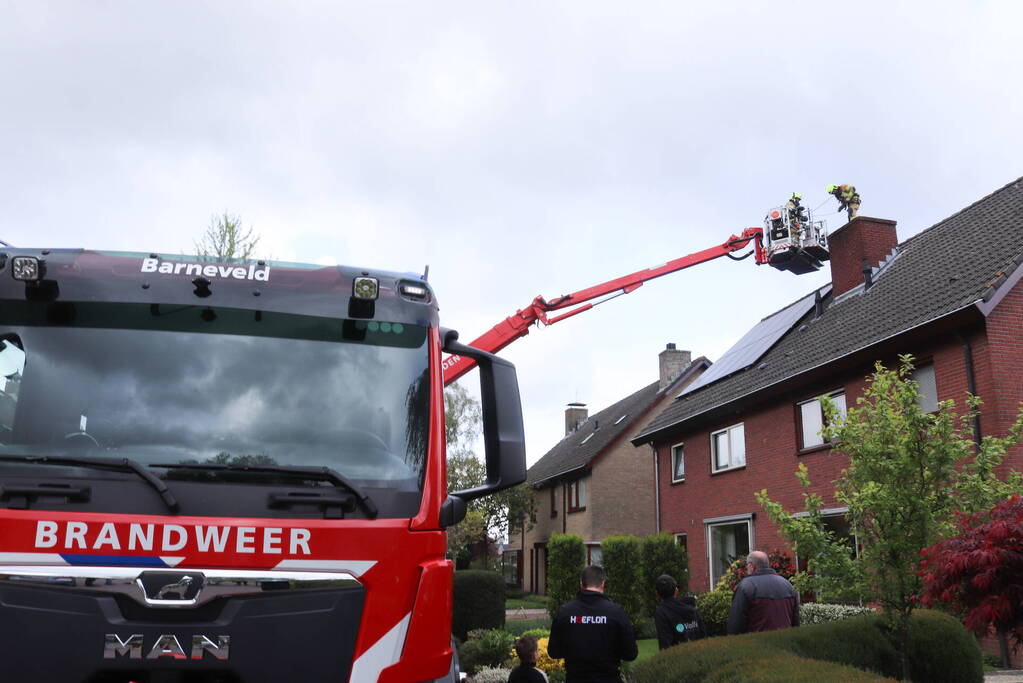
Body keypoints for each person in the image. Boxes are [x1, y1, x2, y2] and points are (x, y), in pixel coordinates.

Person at [548, 565, 638, 682]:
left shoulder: (564, 612)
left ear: (581, 584)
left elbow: (554, 652)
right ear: (602, 584)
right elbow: (630, 654)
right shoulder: (616, 612)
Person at [726, 550, 800, 635]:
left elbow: (736, 623)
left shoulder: (746, 586)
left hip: (757, 644)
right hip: (785, 642)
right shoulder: (787, 585)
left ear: (751, 566)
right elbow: (795, 621)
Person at [653, 574, 706, 650]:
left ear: (657, 594)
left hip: (678, 658)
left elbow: (665, 644)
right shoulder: (692, 609)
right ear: (676, 591)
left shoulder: (661, 613)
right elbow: (703, 636)